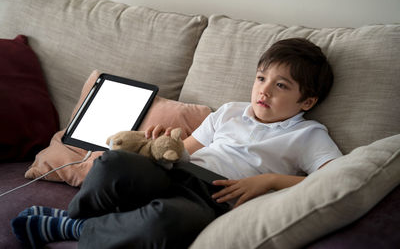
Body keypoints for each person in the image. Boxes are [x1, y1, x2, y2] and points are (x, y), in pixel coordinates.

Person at [11, 38, 342, 249]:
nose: (264, 91)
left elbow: (334, 182)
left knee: (164, 221)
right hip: (180, 171)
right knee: (112, 161)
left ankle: (73, 230)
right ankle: (76, 219)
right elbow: (188, 151)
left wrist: (269, 180)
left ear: (307, 101)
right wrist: (167, 147)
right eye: (261, 78)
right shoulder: (230, 112)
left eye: (281, 85)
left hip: (217, 197)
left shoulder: (309, 135)